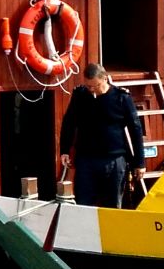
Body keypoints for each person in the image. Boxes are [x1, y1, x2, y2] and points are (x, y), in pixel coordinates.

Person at [59, 63, 146, 208]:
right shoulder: (80, 95)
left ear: (105, 79)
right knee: (83, 204)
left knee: (112, 206)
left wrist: (140, 162)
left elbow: (135, 130)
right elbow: (69, 123)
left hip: (114, 160)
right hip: (86, 160)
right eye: (89, 86)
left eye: (96, 86)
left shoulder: (121, 98)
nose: (92, 90)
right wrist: (64, 150)